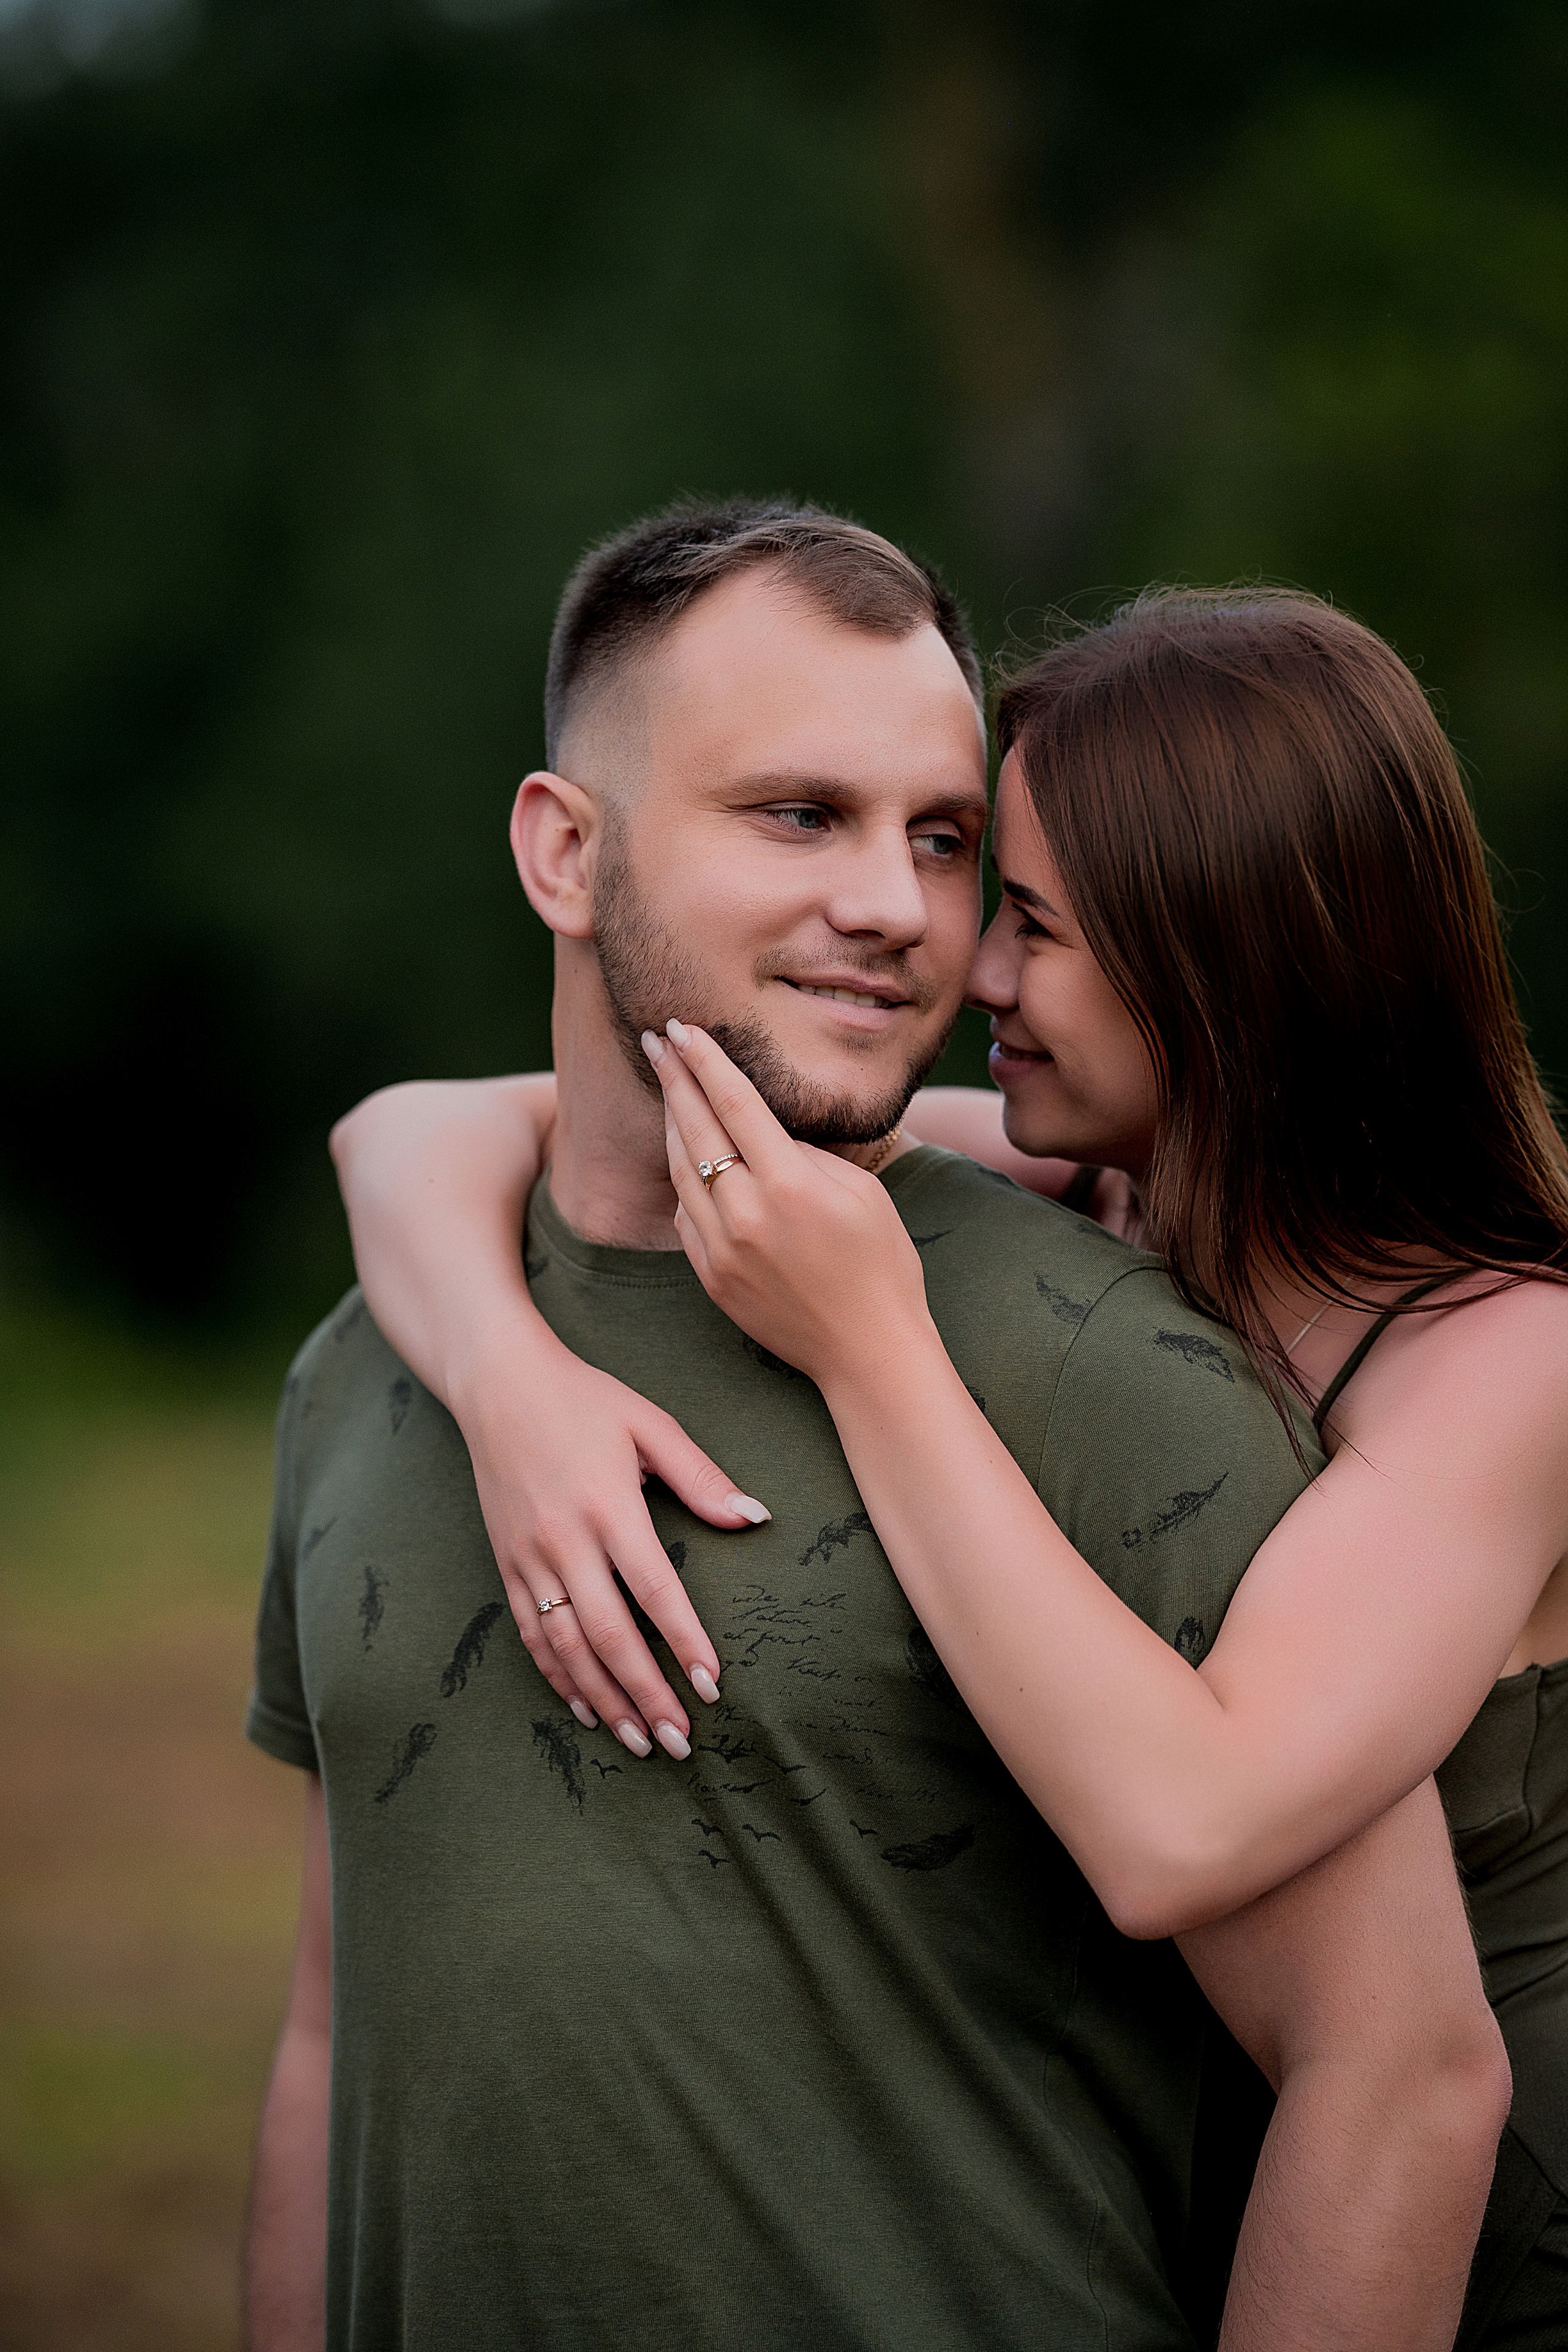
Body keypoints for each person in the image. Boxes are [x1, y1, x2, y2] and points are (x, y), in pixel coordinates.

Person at [248, 504, 1507, 2352]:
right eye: (798, 817)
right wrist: (502, 1369)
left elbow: (1393, 2074)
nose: (901, 912)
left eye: (941, 840)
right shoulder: (375, 1359)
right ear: (564, 852)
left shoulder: (1113, 1368)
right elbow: (332, 2027)